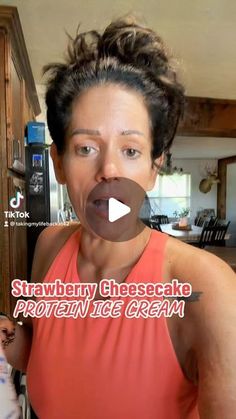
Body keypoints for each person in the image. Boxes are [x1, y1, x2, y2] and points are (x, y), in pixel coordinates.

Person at [1, 17, 236, 419]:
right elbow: (38, 356)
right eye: (86, 148)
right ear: (57, 164)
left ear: (153, 167)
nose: (109, 169)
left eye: (130, 150)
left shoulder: (206, 289)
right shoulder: (49, 245)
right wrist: (7, 335)